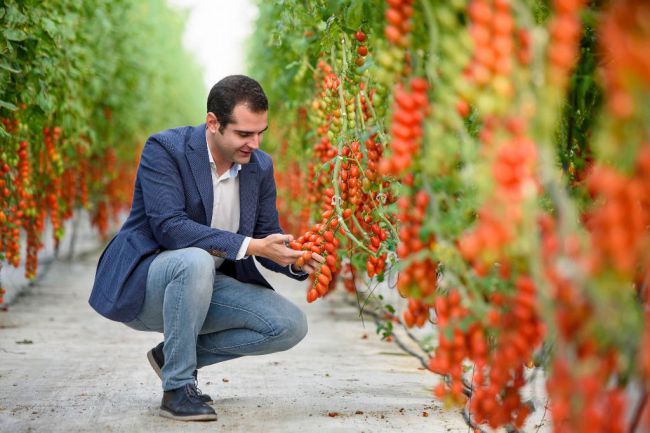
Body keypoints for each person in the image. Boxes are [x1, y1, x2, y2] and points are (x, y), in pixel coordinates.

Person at [88, 75, 323, 421]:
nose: (255, 143)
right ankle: (178, 387)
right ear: (212, 123)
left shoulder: (259, 167)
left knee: (289, 324)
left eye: (261, 132)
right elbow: (170, 228)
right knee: (195, 261)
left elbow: (265, 234)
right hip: (149, 285)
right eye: (244, 134)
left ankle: (172, 356)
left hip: (206, 287)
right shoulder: (166, 150)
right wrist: (253, 245)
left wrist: (296, 260)